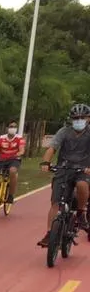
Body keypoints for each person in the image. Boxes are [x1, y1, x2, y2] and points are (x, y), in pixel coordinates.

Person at [38, 102, 90, 246]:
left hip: (83, 170)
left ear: (88, 118)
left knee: (82, 185)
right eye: (75, 118)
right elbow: (52, 148)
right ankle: (49, 233)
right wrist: (45, 163)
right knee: (56, 203)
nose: (79, 120)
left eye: (82, 117)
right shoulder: (64, 132)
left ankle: (80, 213)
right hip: (64, 169)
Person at [0, 119, 26, 204]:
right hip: (1, 159)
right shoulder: (2, 138)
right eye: (11, 126)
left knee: (12, 171)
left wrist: (18, 154)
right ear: (7, 128)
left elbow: (22, 150)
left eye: (15, 127)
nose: (13, 128)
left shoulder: (19, 138)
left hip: (14, 159)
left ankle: (10, 195)